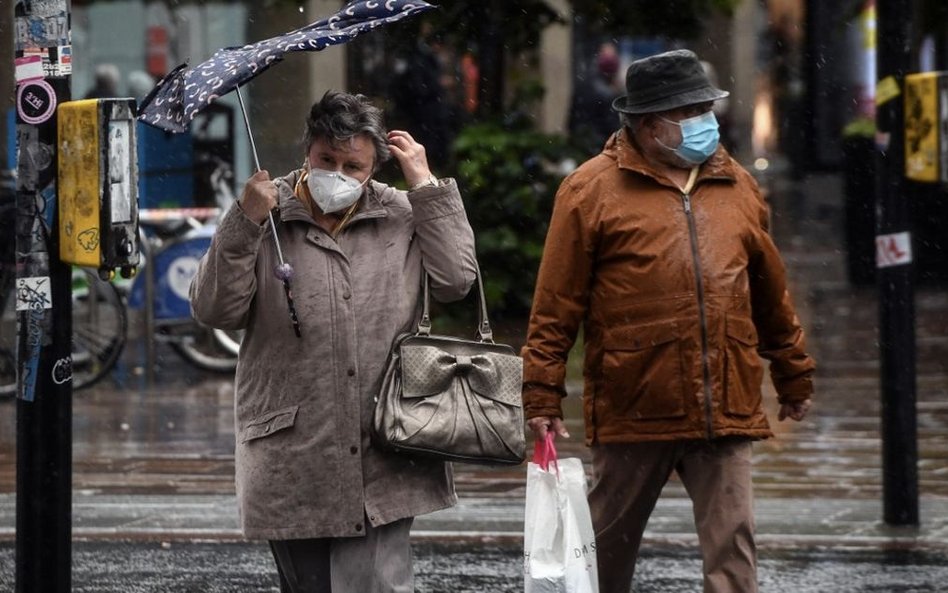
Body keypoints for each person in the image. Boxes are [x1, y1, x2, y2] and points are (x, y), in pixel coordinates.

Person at [520, 49, 816, 593]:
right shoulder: (590, 191)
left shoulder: (739, 186)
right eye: (692, 111)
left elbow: (771, 293)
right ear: (648, 124)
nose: (708, 121)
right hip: (634, 404)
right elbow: (556, 303)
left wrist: (792, 374)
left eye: (707, 107)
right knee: (604, 554)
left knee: (734, 556)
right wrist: (541, 394)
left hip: (725, 404)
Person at [189, 90, 477, 592]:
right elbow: (215, 309)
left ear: (373, 168)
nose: (339, 175)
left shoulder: (401, 213)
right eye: (327, 160)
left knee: (378, 585)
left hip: (384, 439)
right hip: (294, 448)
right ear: (308, 151)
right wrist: (244, 221)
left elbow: (457, 279)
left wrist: (427, 187)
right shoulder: (267, 214)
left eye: (354, 166)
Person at [568, 42, 623, 155]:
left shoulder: (584, 83)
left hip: (582, 144)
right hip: (598, 146)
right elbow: (612, 125)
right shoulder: (607, 93)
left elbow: (573, 117)